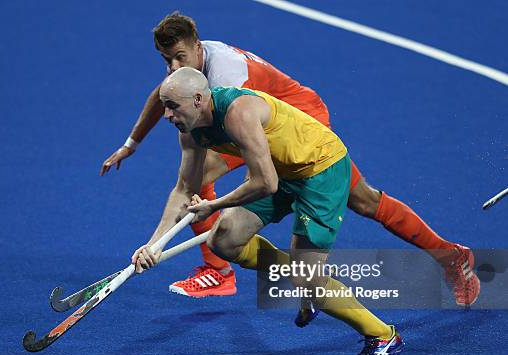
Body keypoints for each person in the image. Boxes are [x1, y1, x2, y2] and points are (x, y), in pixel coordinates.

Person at [104, 12, 479, 306]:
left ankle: (219, 271)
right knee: (362, 199)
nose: (172, 67)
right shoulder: (188, 73)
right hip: (266, 124)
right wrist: (131, 143)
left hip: (302, 120)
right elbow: (161, 94)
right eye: (167, 60)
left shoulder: (222, 79)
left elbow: (240, 134)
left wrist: (200, 209)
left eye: (178, 58)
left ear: (197, 46)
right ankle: (450, 256)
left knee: (204, 177)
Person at [132, 67, 404, 355]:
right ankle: (309, 283)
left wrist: (214, 204)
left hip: (320, 171)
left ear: (198, 98)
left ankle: (383, 336)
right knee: (224, 239)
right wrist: (153, 245)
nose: (166, 115)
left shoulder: (238, 113)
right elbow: (184, 189)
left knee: (309, 278)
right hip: (280, 170)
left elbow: (266, 184)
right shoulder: (190, 130)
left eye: (172, 106)